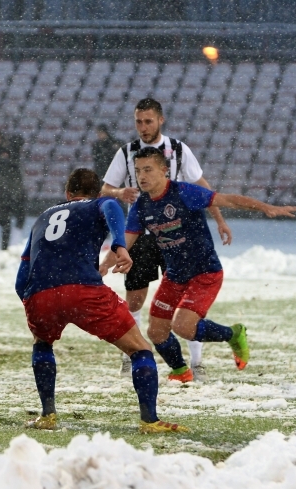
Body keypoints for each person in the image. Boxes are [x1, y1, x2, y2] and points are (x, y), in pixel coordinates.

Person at [16, 168, 187, 434]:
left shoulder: (44, 217)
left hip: (41, 294)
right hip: (83, 290)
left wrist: (28, 299)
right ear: (96, 192)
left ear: (67, 193)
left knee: (42, 343)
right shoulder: (99, 202)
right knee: (140, 349)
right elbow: (111, 206)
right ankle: (149, 421)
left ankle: (48, 415)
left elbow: (23, 269)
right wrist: (119, 244)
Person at [103, 147, 296, 382]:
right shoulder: (141, 205)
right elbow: (126, 241)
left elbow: (227, 200)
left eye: (148, 170)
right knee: (156, 332)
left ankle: (233, 334)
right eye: (137, 171)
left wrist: (266, 207)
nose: (142, 176)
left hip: (205, 272)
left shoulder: (183, 192)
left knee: (183, 327)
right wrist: (102, 267)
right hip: (175, 275)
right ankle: (181, 372)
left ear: (164, 171)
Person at [100, 98, 232, 382]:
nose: (143, 127)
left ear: (161, 120)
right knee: (135, 298)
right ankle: (131, 354)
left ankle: (196, 362)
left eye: (148, 121)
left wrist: (219, 219)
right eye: (138, 121)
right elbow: (105, 188)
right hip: (143, 235)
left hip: (178, 233)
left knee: (186, 305)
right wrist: (119, 193)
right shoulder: (127, 153)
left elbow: (202, 186)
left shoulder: (180, 150)